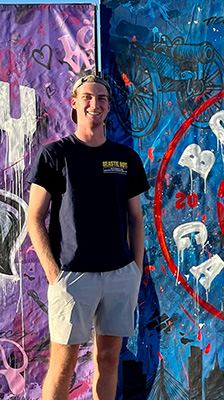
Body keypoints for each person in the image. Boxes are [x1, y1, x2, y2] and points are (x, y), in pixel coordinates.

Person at [27, 75, 150, 400]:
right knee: (63, 365)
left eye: (102, 98)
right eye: (87, 97)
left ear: (109, 106)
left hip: (119, 275)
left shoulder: (125, 158)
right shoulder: (54, 155)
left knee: (109, 359)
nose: (94, 104)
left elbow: (136, 218)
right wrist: (54, 275)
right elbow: (34, 218)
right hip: (72, 276)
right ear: (74, 102)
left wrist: (134, 269)